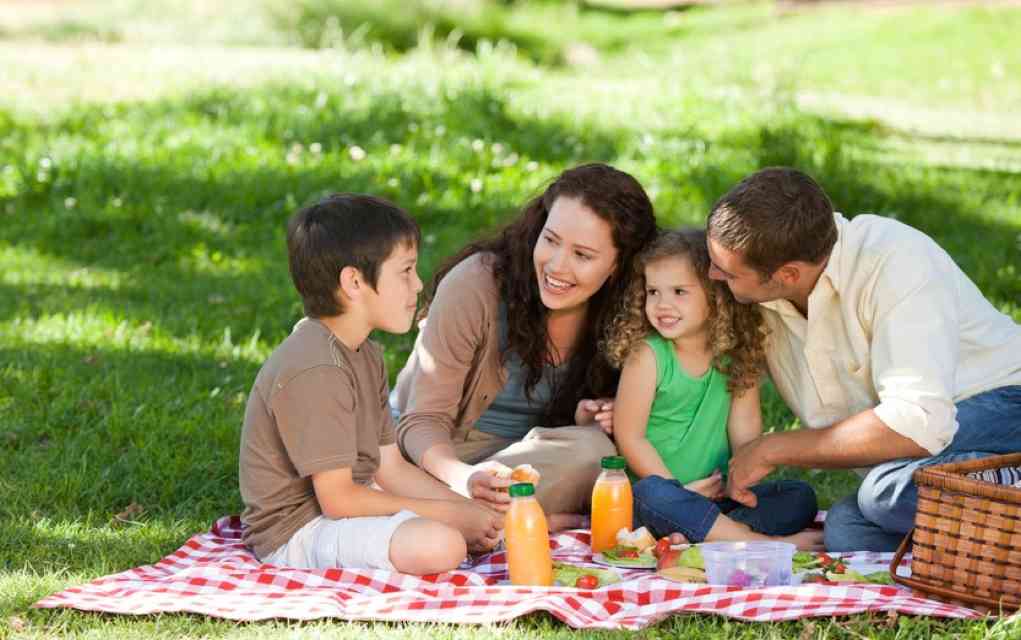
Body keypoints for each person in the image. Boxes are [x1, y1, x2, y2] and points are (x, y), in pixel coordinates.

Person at [705, 167, 1021, 551]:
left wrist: (775, 447)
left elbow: (918, 422)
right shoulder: (764, 292)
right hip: (920, 452)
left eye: (726, 272)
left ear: (788, 274)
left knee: (884, 493)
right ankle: (997, 520)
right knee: (848, 531)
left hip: (1003, 403)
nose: (712, 275)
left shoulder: (895, 261)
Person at [239, 194, 502, 574]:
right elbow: (337, 500)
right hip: (297, 530)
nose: (418, 284)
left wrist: (465, 509)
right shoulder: (317, 367)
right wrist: (450, 516)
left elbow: (390, 467)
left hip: (351, 502)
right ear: (355, 281)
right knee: (442, 543)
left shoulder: (364, 354)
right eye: (406, 271)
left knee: (480, 522)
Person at [391, 163, 659, 528]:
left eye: (582, 255)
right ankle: (530, 519)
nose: (557, 266)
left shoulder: (637, 312)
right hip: (438, 455)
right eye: (550, 240)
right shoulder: (476, 285)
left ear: (619, 265)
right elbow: (421, 421)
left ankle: (466, 518)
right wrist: (464, 479)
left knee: (596, 451)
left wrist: (605, 413)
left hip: (530, 465)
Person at [604, 229, 821, 549]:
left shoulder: (736, 354)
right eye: (653, 292)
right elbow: (630, 437)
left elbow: (745, 434)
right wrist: (678, 490)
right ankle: (760, 543)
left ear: (716, 295)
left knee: (798, 497)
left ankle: (706, 536)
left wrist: (741, 484)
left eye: (679, 291)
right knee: (651, 494)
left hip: (716, 498)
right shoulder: (647, 355)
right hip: (659, 500)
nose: (662, 304)